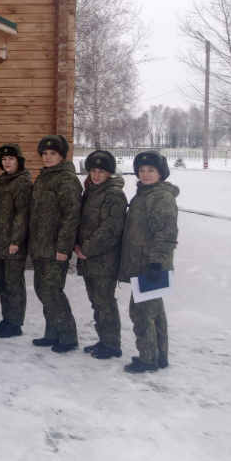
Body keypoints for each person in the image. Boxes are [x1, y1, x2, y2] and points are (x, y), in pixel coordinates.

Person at [118, 151, 178, 374]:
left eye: (151, 170)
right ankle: (159, 356)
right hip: (144, 264)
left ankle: (147, 359)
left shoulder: (161, 197)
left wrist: (156, 263)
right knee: (155, 313)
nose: (145, 174)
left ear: (160, 173)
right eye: (141, 170)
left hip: (151, 266)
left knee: (141, 313)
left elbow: (166, 233)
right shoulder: (144, 194)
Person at [29, 135, 82, 353]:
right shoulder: (43, 178)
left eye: (53, 154)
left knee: (53, 292)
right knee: (43, 291)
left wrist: (63, 247)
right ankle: (52, 333)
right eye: (45, 154)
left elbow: (71, 216)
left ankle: (68, 336)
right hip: (40, 247)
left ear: (61, 156)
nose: (48, 157)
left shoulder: (66, 180)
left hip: (54, 249)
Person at [74, 150, 127, 360]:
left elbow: (111, 229)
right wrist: (77, 245)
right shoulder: (91, 191)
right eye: (93, 171)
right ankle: (103, 340)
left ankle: (112, 344)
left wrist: (86, 248)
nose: (96, 175)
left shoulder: (114, 194)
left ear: (109, 174)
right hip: (88, 257)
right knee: (96, 301)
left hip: (104, 259)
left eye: (101, 171)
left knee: (105, 301)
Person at [0, 143, 32, 339]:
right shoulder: (1, 181)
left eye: (11, 159)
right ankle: (7, 319)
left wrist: (16, 240)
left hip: (12, 244)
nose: (7, 162)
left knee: (14, 284)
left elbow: (23, 214)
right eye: (4, 159)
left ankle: (15, 323)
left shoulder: (22, 183)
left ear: (18, 161)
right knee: (3, 284)